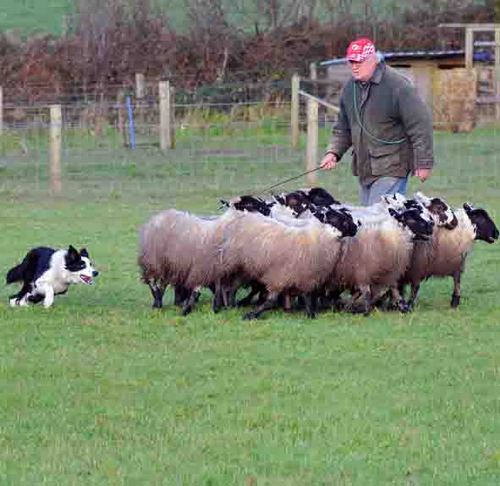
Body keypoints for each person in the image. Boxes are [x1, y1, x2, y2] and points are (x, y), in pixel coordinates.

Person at [319, 38, 434, 206]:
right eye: (351, 61)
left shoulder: (398, 86)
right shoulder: (350, 89)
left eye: (359, 61)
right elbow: (343, 128)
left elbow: (420, 125)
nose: (354, 66)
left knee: (377, 223)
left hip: (393, 167)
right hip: (365, 169)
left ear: (373, 59)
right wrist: (333, 153)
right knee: (369, 223)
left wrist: (423, 163)